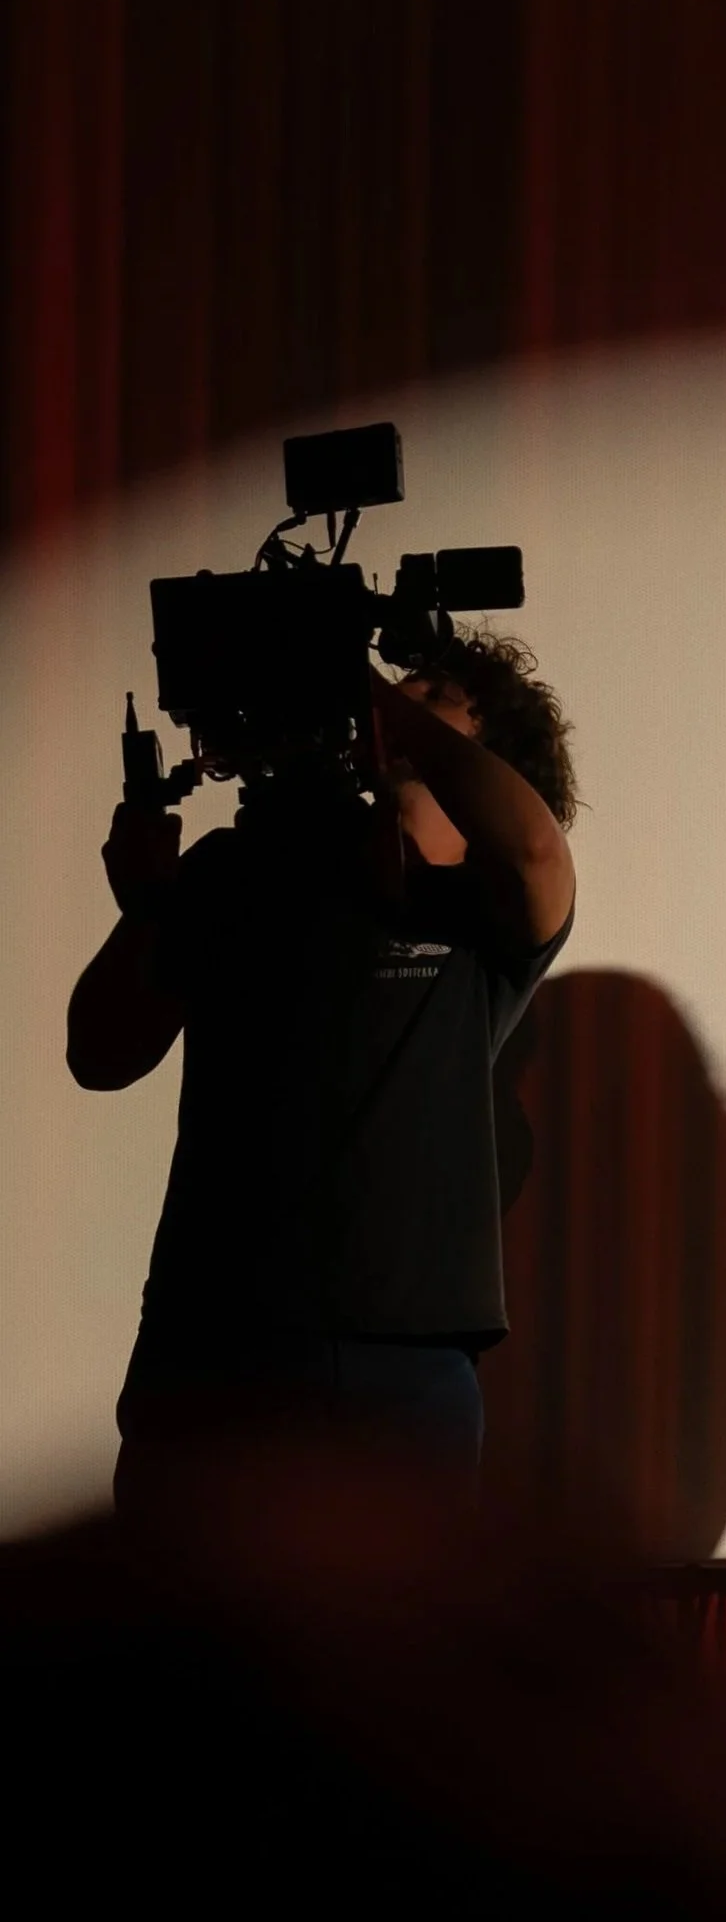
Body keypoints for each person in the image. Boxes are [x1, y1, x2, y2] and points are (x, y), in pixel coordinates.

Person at [66, 629, 577, 1515]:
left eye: (427, 697)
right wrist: (150, 905)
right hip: (212, 1346)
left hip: (406, 1365)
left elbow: (534, 847)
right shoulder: (243, 871)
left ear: (484, 751)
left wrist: (351, 679)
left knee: (397, 1649)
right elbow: (100, 1054)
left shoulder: (485, 911)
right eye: (391, 688)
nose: (388, 703)